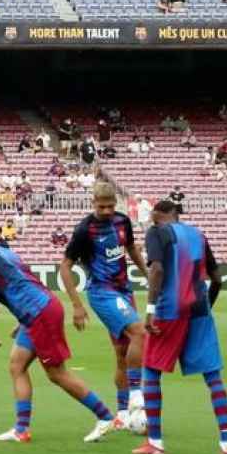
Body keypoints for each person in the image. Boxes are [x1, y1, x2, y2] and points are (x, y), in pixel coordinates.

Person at [0, 227, 118, 444]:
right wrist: (22, 320)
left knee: (56, 373)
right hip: (39, 309)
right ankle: (21, 429)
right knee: (17, 366)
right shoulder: (4, 252)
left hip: (39, 313)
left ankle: (106, 417)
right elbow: (25, 279)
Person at [133, 199, 227, 454]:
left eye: (155, 215)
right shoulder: (198, 234)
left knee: (151, 371)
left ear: (167, 214)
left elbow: (156, 269)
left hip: (169, 311)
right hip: (199, 311)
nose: (152, 220)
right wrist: (205, 307)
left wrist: (150, 311)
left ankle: (155, 442)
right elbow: (218, 279)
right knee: (213, 378)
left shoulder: (157, 232)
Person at [60, 182, 148, 432]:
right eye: (102, 207)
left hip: (124, 291)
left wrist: (147, 273)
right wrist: (76, 305)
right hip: (101, 291)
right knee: (139, 333)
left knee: (123, 353)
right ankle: (136, 395)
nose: (108, 211)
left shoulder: (122, 222)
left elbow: (130, 248)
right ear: (93, 203)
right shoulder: (84, 230)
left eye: (111, 206)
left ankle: (121, 414)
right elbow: (65, 266)